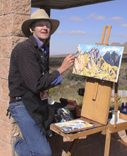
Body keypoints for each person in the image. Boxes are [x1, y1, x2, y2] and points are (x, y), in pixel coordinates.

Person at [8, 9, 75, 156]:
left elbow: (41, 81)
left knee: (43, 142)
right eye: (40, 25)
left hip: (34, 102)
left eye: (47, 25)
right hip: (21, 104)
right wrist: (62, 69)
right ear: (32, 29)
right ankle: (17, 145)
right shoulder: (25, 49)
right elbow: (37, 84)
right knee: (43, 153)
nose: (45, 27)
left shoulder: (41, 50)